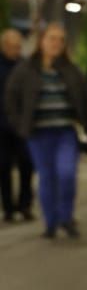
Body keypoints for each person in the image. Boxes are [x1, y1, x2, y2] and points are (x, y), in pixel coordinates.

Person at [4, 23, 87, 239]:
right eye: (52, 38)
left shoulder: (70, 69)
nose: (56, 43)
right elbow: (11, 98)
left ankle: (66, 217)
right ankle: (51, 221)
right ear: (41, 41)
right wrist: (19, 124)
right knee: (46, 177)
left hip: (65, 131)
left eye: (60, 39)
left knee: (66, 174)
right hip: (38, 134)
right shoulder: (26, 69)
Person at [0, 28, 34, 223]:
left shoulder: (25, 66)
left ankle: (25, 205)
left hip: (21, 125)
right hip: (1, 126)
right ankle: (8, 208)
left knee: (26, 165)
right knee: (3, 167)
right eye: (13, 46)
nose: (16, 50)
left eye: (18, 46)